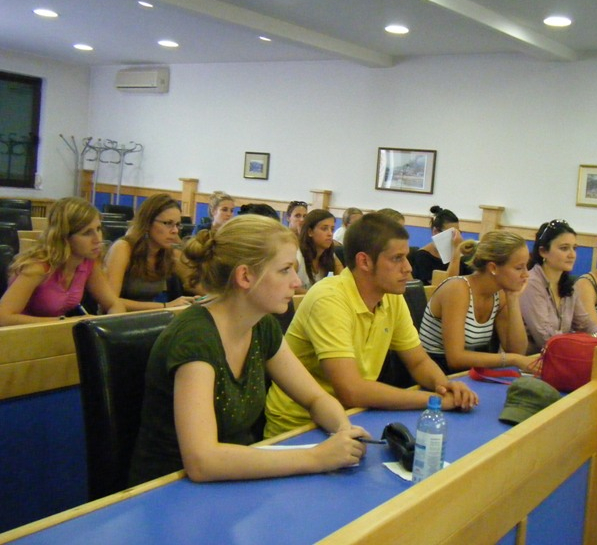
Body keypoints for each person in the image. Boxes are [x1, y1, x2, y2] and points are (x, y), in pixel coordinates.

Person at [128, 215, 368, 485]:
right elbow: (202, 461)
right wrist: (317, 457)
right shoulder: (194, 338)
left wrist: (343, 430)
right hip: (169, 488)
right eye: (285, 270)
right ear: (245, 276)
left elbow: (315, 399)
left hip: (236, 477)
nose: (296, 282)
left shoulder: (262, 326)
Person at [264, 213, 478, 438]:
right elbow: (351, 390)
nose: (408, 268)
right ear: (364, 261)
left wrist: (444, 386)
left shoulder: (391, 297)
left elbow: (418, 361)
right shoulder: (329, 299)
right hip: (299, 426)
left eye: (406, 257)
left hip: (354, 416)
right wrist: (433, 400)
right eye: (397, 258)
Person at [419, 230, 538, 374]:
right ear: (493, 268)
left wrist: (513, 298)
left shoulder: (501, 294)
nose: (526, 274)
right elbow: (455, 358)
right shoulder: (457, 289)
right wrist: (513, 359)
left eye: (526, 266)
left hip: (468, 373)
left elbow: (516, 351)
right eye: (519, 268)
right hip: (434, 371)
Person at [0, 197, 125, 326]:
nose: (98, 239)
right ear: (64, 237)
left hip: (55, 331)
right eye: (87, 233)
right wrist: (67, 322)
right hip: (22, 334)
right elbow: (3, 317)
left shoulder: (88, 262)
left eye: (98, 229)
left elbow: (114, 304)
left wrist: (112, 324)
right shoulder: (38, 267)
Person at [519, 220, 597, 353]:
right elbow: (546, 340)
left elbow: (586, 325)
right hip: (531, 359)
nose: (572, 255)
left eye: (574, 248)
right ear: (543, 251)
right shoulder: (531, 283)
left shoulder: (567, 285)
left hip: (561, 356)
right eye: (564, 248)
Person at [105, 194, 196, 311]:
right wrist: (165, 306)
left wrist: (204, 298)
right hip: (119, 317)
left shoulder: (169, 252)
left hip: (148, 316)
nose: (175, 230)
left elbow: (195, 284)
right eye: (168, 223)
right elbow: (110, 301)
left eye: (177, 225)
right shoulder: (123, 248)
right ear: (147, 223)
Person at [412, 205, 470, 286]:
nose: (456, 238)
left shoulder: (453, 253)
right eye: (451, 233)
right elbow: (446, 286)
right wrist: (456, 251)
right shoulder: (422, 256)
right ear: (435, 231)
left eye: (458, 232)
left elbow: (469, 276)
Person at [296, 209, 344, 293]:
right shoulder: (297, 255)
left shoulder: (330, 255)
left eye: (332, 229)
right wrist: (318, 295)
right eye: (324, 229)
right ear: (310, 232)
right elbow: (285, 286)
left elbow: (344, 280)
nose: (330, 233)